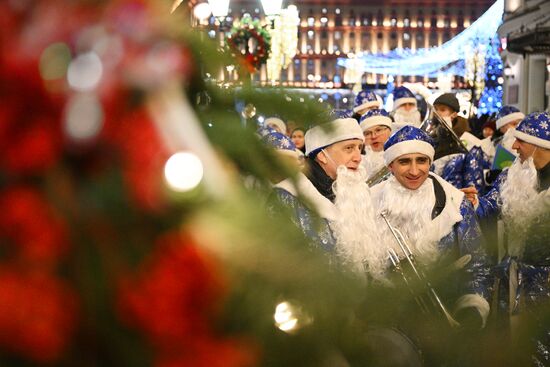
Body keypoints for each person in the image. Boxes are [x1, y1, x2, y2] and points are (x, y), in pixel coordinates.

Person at [367, 125, 492, 327]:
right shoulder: (369, 202)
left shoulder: (456, 203)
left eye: (422, 161)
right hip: (386, 322)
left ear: (430, 162)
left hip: (445, 321)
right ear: (390, 165)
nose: (415, 170)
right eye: (404, 161)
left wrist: (473, 309)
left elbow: (478, 265)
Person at [270, 118, 365, 252]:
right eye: (349, 148)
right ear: (322, 156)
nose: (358, 157)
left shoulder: (352, 191)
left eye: (359, 147)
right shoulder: (286, 197)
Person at [358, 109, 393, 179]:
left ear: (390, 131)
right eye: (367, 133)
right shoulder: (358, 165)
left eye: (378, 130)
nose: (373, 136)